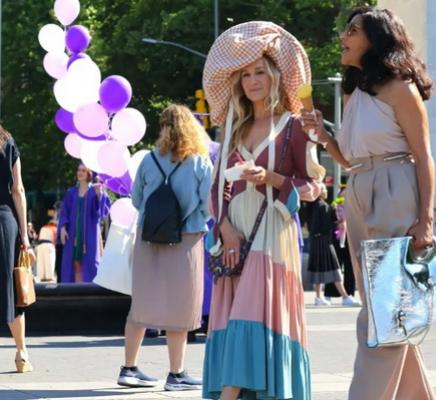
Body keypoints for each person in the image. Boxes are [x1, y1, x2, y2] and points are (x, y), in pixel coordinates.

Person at [302, 7, 436, 399]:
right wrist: (324, 137)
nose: (343, 35)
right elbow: (348, 157)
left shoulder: (401, 88)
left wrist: (425, 219)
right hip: (359, 188)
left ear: (375, 39)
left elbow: (424, 155)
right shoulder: (355, 90)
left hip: (395, 187)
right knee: (381, 307)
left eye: (353, 30)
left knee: (385, 311)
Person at [202, 21, 324, 400]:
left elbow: (314, 187)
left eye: (260, 72)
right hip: (236, 238)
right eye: (246, 74)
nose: (253, 80)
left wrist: (270, 178)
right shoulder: (234, 130)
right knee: (232, 318)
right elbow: (215, 190)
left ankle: (229, 394)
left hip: (273, 235)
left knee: (248, 318)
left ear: (273, 76)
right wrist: (224, 229)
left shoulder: (293, 126)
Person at [116, 104, 212, 390]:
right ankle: (176, 373)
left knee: (141, 304)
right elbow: (209, 205)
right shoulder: (199, 161)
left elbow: (135, 200)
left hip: (149, 239)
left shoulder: (148, 160)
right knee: (180, 308)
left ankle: (129, 368)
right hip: (185, 240)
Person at [0, 126, 36, 372]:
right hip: (5, 222)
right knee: (12, 287)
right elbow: (18, 189)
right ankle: (21, 353)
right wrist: (25, 235)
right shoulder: (7, 141)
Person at [308, 184, 360, 306]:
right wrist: (338, 224)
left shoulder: (316, 206)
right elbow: (326, 225)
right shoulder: (326, 206)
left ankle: (319, 297)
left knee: (320, 269)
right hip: (327, 242)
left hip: (320, 241)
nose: (326, 190)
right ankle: (344, 296)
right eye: (324, 189)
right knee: (335, 269)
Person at [58, 165, 110, 283]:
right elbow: (64, 213)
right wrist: (62, 228)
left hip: (90, 234)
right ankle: (76, 292)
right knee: (74, 263)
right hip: (73, 233)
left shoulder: (95, 190)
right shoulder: (71, 193)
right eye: (78, 170)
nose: (80, 172)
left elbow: (102, 212)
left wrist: (99, 195)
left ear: (89, 174)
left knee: (89, 263)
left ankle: (88, 291)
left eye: (83, 170)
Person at [324, 191, 357, 300]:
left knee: (350, 267)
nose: (344, 198)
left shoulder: (353, 208)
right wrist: (338, 223)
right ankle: (329, 293)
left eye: (346, 196)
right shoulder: (334, 208)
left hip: (349, 238)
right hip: (336, 238)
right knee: (335, 266)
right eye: (342, 196)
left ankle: (349, 294)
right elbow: (329, 223)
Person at [35, 216, 58, 282]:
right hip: (49, 245)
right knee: (50, 260)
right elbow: (55, 239)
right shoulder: (54, 228)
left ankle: (41, 276)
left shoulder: (43, 228)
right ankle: (49, 276)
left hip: (40, 245)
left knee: (41, 261)